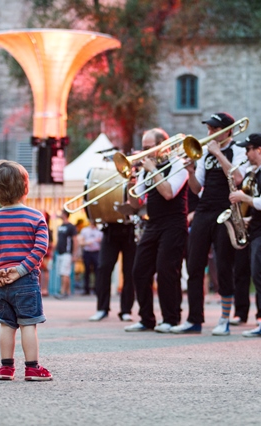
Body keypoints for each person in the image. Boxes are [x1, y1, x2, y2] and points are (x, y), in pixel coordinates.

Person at [0, 160, 52, 381]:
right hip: (26, 280)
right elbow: (40, 248)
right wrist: (21, 270)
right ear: (25, 188)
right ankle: (32, 368)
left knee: (6, 325)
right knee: (28, 324)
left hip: (0, 282)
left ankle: (6, 368)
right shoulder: (36, 217)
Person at [171, 112, 246, 336]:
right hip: (204, 209)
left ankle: (224, 318)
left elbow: (238, 179)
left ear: (228, 131)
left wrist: (218, 153)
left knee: (224, 266)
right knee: (194, 265)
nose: (210, 134)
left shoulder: (238, 150)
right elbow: (196, 188)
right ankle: (194, 319)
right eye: (209, 129)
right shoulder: (203, 153)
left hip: (226, 209)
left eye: (214, 130)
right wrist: (191, 172)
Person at [124, 128, 188, 333]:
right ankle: (146, 318)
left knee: (167, 271)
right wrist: (129, 181)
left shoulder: (179, 165)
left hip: (174, 224)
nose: (144, 153)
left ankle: (171, 318)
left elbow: (169, 193)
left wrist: (153, 170)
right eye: (143, 149)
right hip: (153, 223)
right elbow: (135, 203)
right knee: (139, 270)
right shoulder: (146, 169)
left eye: (148, 148)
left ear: (163, 146)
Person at [226, 133, 261, 339]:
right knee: (257, 275)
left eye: (249, 149)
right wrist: (246, 221)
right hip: (259, 230)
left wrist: (243, 197)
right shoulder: (259, 171)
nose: (246, 153)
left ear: (259, 150)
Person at [89, 219, 137, 322]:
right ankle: (102, 308)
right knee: (103, 268)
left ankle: (126, 310)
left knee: (129, 271)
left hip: (130, 230)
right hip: (110, 230)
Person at [55, 210, 77, 298]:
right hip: (60, 253)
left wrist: (74, 254)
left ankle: (62, 291)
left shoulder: (71, 226)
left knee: (65, 272)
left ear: (65, 214)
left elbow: (75, 241)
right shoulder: (60, 226)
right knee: (63, 273)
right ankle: (67, 292)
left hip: (67, 253)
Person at [79, 221, 103, 295]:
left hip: (96, 252)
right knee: (87, 271)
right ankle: (86, 289)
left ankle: (97, 289)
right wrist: (87, 243)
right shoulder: (85, 230)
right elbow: (81, 242)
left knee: (97, 271)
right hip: (87, 252)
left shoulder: (99, 231)